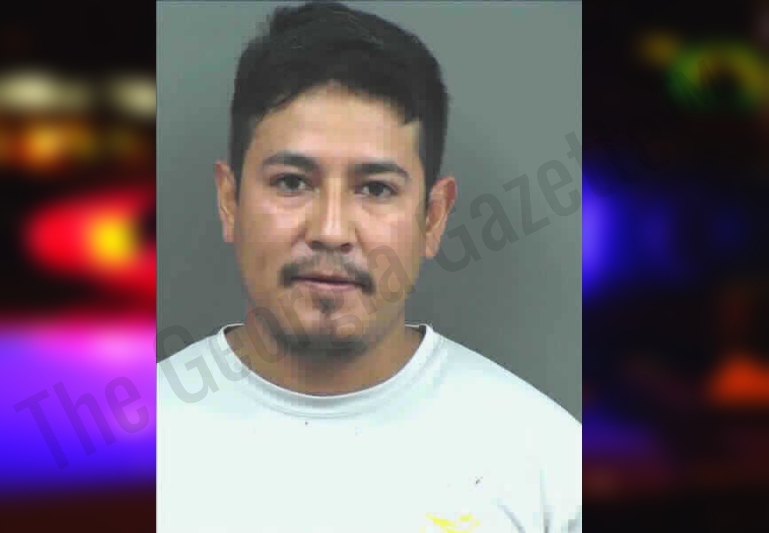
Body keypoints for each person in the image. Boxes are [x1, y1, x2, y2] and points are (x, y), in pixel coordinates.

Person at [157, 2, 581, 531]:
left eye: (376, 189)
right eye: (291, 182)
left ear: (433, 218)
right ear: (229, 201)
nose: (331, 230)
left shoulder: (548, 468)